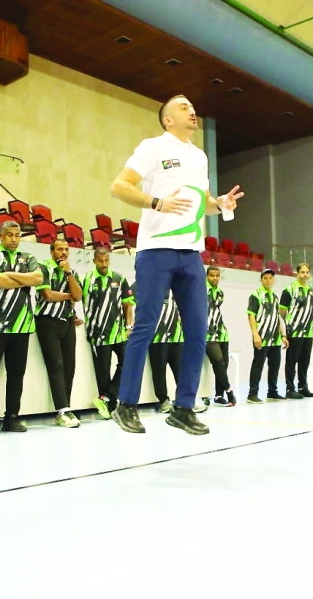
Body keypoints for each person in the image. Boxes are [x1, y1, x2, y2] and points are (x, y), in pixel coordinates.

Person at [109, 94, 244, 436]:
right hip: (156, 250)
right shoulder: (153, 147)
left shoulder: (199, 157)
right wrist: (156, 202)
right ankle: (125, 404)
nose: (192, 111)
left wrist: (221, 204)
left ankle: (183, 408)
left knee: (198, 330)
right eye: (183, 107)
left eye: (193, 107)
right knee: (146, 325)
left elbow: (205, 204)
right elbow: (119, 186)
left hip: (191, 253)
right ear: (168, 119)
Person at [0, 220, 44, 435]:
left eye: (17, 235)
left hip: (21, 325)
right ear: (1, 236)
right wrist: (25, 280)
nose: (14, 239)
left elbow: (39, 278)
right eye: (9, 235)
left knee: (16, 374)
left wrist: (10, 276)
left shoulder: (29, 257)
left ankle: (11, 416)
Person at [81, 247, 134, 419]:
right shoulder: (87, 279)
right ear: (94, 260)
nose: (104, 264)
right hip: (98, 334)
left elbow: (128, 305)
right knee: (102, 372)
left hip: (118, 332)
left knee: (127, 363)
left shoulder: (120, 278)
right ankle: (110, 407)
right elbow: (76, 300)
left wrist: (128, 327)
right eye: (100, 261)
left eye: (106, 261)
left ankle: (106, 397)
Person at [35, 238, 83, 428]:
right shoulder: (43, 267)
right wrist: (68, 296)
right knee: (56, 365)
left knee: (70, 365)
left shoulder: (71, 271)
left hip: (67, 321)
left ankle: (66, 408)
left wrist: (69, 274)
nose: (63, 252)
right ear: (52, 252)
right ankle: (62, 410)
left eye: (66, 249)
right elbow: (48, 295)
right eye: (59, 249)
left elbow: (78, 296)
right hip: (47, 321)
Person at [246, 269, 288, 404]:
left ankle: (272, 392)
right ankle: (252, 394)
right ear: (261, 280)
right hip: (262, 337)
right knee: (258, 365)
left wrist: (283, 335)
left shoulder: (275, 296)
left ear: (274, 280)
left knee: (275, 366)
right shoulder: (256, 295)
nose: (268, 280)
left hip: (275, 338)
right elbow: (251, 315)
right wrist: (255, 334)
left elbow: (278, 317)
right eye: (265, 278)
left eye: (271, 278)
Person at [280, 262, 313, 399]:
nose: (305, 275)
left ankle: (303, 386)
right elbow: (282, 311)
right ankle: (290, 388)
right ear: (297, 273)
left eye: (307, 272)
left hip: (308, 332)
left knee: (304, 361)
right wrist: (287, 328)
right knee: (291, 361)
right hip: (294, 331)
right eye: (302, 272)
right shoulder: (289, 290)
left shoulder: (310, 290)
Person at [148, 290, 184, 413]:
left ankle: (185, 400)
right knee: (159, 371)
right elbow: (132, 303)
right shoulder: (150, 284)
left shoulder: (179, 287)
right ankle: (163, 401)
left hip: (177, 336)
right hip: (157, 336)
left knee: (181, 370)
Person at [205, 266, 236, 406]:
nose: (215, 278)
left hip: (221, 333)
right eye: (212, 275)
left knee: (224, 364)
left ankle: (218, 396)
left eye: (217, 276)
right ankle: (229, 390)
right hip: (207, 334)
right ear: (207, 276)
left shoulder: (220, 293)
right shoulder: (201, 290)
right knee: (218, 361)